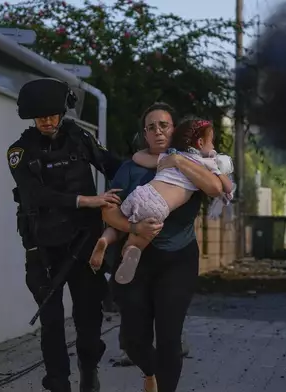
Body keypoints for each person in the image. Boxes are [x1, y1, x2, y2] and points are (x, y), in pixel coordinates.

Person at [8, 78, 123, 392]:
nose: (46, 120)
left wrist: (150, 174)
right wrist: (87, 201)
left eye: (52, 114)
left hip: (85, 243)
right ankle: (58, 384)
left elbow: (110, 165)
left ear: (62, 112)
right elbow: (35, 196)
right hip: (44, 249)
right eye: (40, 115)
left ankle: (89, 371)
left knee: (88, 318)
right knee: (53, 322)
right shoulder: (20, 151)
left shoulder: (79, 138)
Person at [103, 103, 224, 392]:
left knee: (169, 338)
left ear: (175, 131)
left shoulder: (194, 163)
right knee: (134, 339)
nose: (158, 131)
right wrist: (134, 228)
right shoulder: (129, 170)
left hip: (178, 260)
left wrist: (179, 162)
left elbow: (217, 188)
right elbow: (108, 213)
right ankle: (148, 372)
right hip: (137, 258)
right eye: (151, 127)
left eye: (164, 125)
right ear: (144, 134)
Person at [89, 118, 233, 284]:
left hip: (142, 193)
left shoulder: (171, 155)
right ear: (200, 143)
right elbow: (226, 188)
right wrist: (221, 172)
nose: (213, 147)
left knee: (119, 222)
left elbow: (139, 157)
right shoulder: (207, 164)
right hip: (159, 207)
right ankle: (131, 251)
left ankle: (105, 240)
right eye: (211, 142)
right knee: (138, 238)